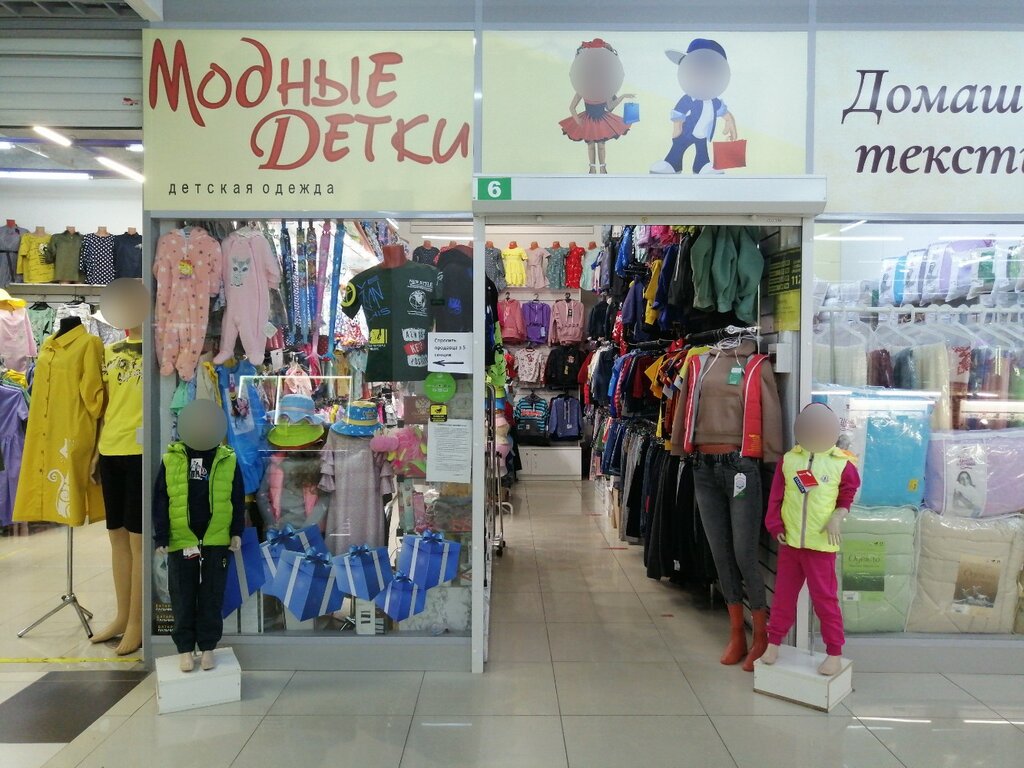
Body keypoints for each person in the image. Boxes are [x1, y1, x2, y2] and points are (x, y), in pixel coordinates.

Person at [761, 403, 861, 676]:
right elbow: (776, 497)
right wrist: (774, 524)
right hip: (791, 543)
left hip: (821, 546)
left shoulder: (842, 463)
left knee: (825, 600)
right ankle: (773, 642)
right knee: (783, 597)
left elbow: (847, 495)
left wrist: (838, 516)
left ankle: (834, 652)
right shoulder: (789, 460)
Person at [153, 400, 244, 672]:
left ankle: (207, 648)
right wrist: (162, 536)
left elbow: (237, 498)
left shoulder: (228, 459)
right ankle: (184, 649)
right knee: (182, 595)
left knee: (212, 596)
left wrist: (236, 531)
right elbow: (161, 500)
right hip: (182, 538)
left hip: (216, 539)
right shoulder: (171, 459)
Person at [559, 39, 635, 174]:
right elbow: (572, 107)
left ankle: (603, 167)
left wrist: (622, 96)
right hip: (588, 119)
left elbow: (610, 106)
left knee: (601, 145)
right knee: (590, 145)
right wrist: (577, 120)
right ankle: (592, 167)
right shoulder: (582, 87)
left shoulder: (606, 88)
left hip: (602, 120)